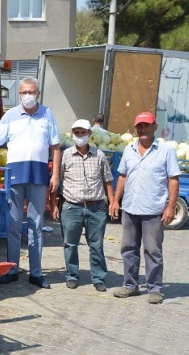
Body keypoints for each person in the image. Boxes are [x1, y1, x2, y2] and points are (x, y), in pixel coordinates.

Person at [0, 77, 60, 289]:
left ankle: (36, 273)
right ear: (19, 94)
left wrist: (55, 175)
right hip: (15, 176)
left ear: (38, 94)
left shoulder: (47, 114)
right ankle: (12, 269)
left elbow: (56, 147)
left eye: (32, 92)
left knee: (36, 225)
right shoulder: (10, 116)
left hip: (39, 175)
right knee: (13, 225)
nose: (28, 96)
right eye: (24, 92)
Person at [109, 112, 180, 304]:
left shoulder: (166, 150)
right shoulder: (129, 150)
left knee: (153, 250)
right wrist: (115, 200)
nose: (142, 129)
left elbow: (173, 179)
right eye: (139, 126)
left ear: (154, 127)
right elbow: (122, 176)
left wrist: (170, 206)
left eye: (146, 125)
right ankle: (130, 286)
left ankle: (155, 288)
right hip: (130, 208)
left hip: (153, 210)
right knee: (128, 248)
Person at [50, 119, 114, 292]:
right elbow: (57, 181)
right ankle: (72, 275)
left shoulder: (99, 155)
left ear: (89, 134)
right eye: (76, 133)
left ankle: (98, 277)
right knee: (70, 244)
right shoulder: (65, 156)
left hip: (96, 207)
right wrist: (53, 204)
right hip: (71, 206)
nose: (79, 136)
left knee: (96, 244)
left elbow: (107, 180)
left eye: (83, 133)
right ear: (73, 134)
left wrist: (112, 202)